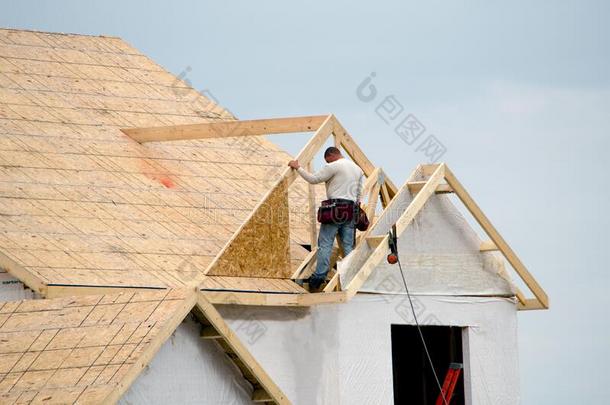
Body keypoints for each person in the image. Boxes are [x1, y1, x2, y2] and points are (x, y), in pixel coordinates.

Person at [288, 147, 363, 292]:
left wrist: (298, 168)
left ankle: (319, 277)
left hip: (335, 208)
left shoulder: (333, 166)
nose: (327, 163)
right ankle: (350, 276)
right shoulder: (357, 169)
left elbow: (314, 179)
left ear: (331, 156)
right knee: (348, 246)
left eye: (327, 160)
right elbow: (359, 194)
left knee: (325, 244)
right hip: (350, 209)